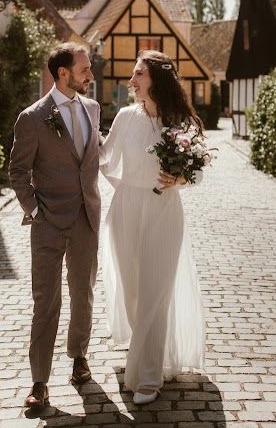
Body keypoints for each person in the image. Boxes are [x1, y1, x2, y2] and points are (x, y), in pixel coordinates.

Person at [99, 50, 206, 405]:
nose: (131, 81)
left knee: (154, 292)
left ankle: (147, 376)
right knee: (133, 291)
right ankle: (144, 352)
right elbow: (104, 160)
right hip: (126, 209)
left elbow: (198, 171)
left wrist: (178, 179)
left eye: (138, 74)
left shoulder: (180, 122)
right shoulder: (125, 117)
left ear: (156, 79)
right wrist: (126, 189)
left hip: (163, 209)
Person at [9, 42, 101, 408]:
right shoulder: (32, 117)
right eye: (84, 70)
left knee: (84, 295)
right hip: (47, 222)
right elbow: (17, 171)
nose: (90, 75)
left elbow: (96, 157)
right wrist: (34, 208)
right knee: (46, 301)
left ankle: (79, 358)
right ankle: (39, 382)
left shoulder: (92, 109)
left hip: (86, 219)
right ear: (63, 73)